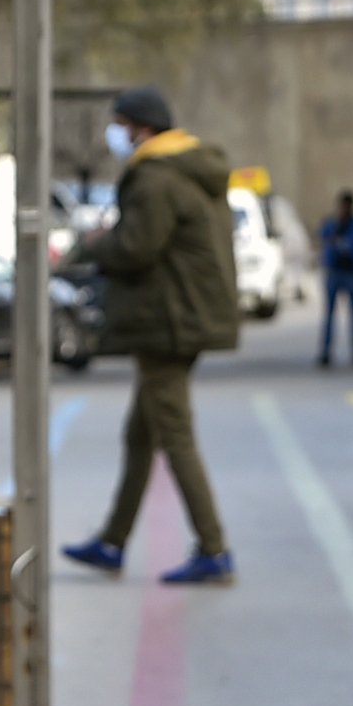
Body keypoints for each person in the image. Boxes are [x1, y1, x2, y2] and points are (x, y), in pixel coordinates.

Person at [60, 87, 240, 585]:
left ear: (140, 127)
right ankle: (113, 542)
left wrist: (99, 244)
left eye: (118, 124)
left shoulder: (156, 178)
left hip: (167, 321)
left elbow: (139, 247)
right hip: (183, 316)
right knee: (141, 435)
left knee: (174, 435)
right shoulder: (189, 167)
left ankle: (214, 548)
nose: (113, 134)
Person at [318, 189, 353, 367]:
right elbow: (325, 237)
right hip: (334, 272)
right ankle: (325, 351)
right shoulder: (332, 224)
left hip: (350, 273)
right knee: (329, 315)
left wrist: (339, 242)